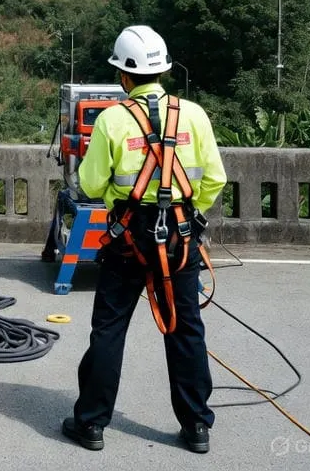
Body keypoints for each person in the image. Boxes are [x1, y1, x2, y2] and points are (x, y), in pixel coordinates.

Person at [62, 25, 227, 454]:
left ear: (123, 75)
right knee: (186, 328)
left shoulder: (112, 120)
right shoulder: (194, 115)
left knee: (110, 328)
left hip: (128, 236)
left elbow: (91, 184)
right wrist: (189, 214)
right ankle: (196, 425)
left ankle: (92, 423)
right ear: (163, 70)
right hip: (180, 236)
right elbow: (214, 178)